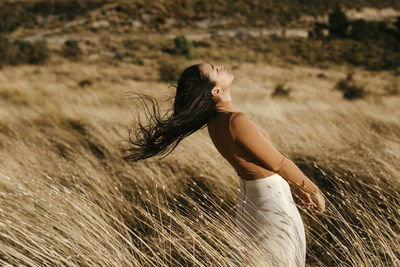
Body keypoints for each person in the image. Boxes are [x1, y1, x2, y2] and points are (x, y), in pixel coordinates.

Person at [123, 63, 326, 267]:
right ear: (216, 91)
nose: (220, 67)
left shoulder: (218, 120)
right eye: (215, 70)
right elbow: (279, 162)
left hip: (258, 197)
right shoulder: (234, 120)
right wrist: (312, 189)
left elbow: (267, 163)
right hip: (271, 200)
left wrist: (295, 186)